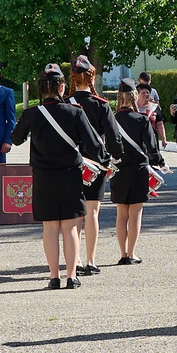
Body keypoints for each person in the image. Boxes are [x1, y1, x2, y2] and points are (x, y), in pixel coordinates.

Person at [11, 64, 102, 289]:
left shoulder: (32, 113)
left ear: (41, 89)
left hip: (43, 178)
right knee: (70, 227)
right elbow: (93, 145)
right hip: (70, 177)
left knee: (50, 228)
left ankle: (54, 277)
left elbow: (16, 138)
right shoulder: (75, 112)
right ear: (62, 87)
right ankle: (71, 276)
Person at [65, 55, 124, 278]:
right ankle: (91, 260)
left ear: (73, 78)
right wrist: (116, 156)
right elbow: (113, 137)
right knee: (92, 213)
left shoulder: (66, 104)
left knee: (74, 214)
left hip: (72, 162)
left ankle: (76, 260)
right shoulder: (101, 105)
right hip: (96, 162)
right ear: (92, 77)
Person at [108, 83, 164, 264]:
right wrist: (159, 162)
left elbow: (108, 145)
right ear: (134, 97)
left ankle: (122, 253)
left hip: (118, 168)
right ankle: (131, 253)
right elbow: (151, 147)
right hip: (138, 168)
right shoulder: (142, 119)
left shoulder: (112, 119)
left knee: (121, 214)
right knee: (135, 214)